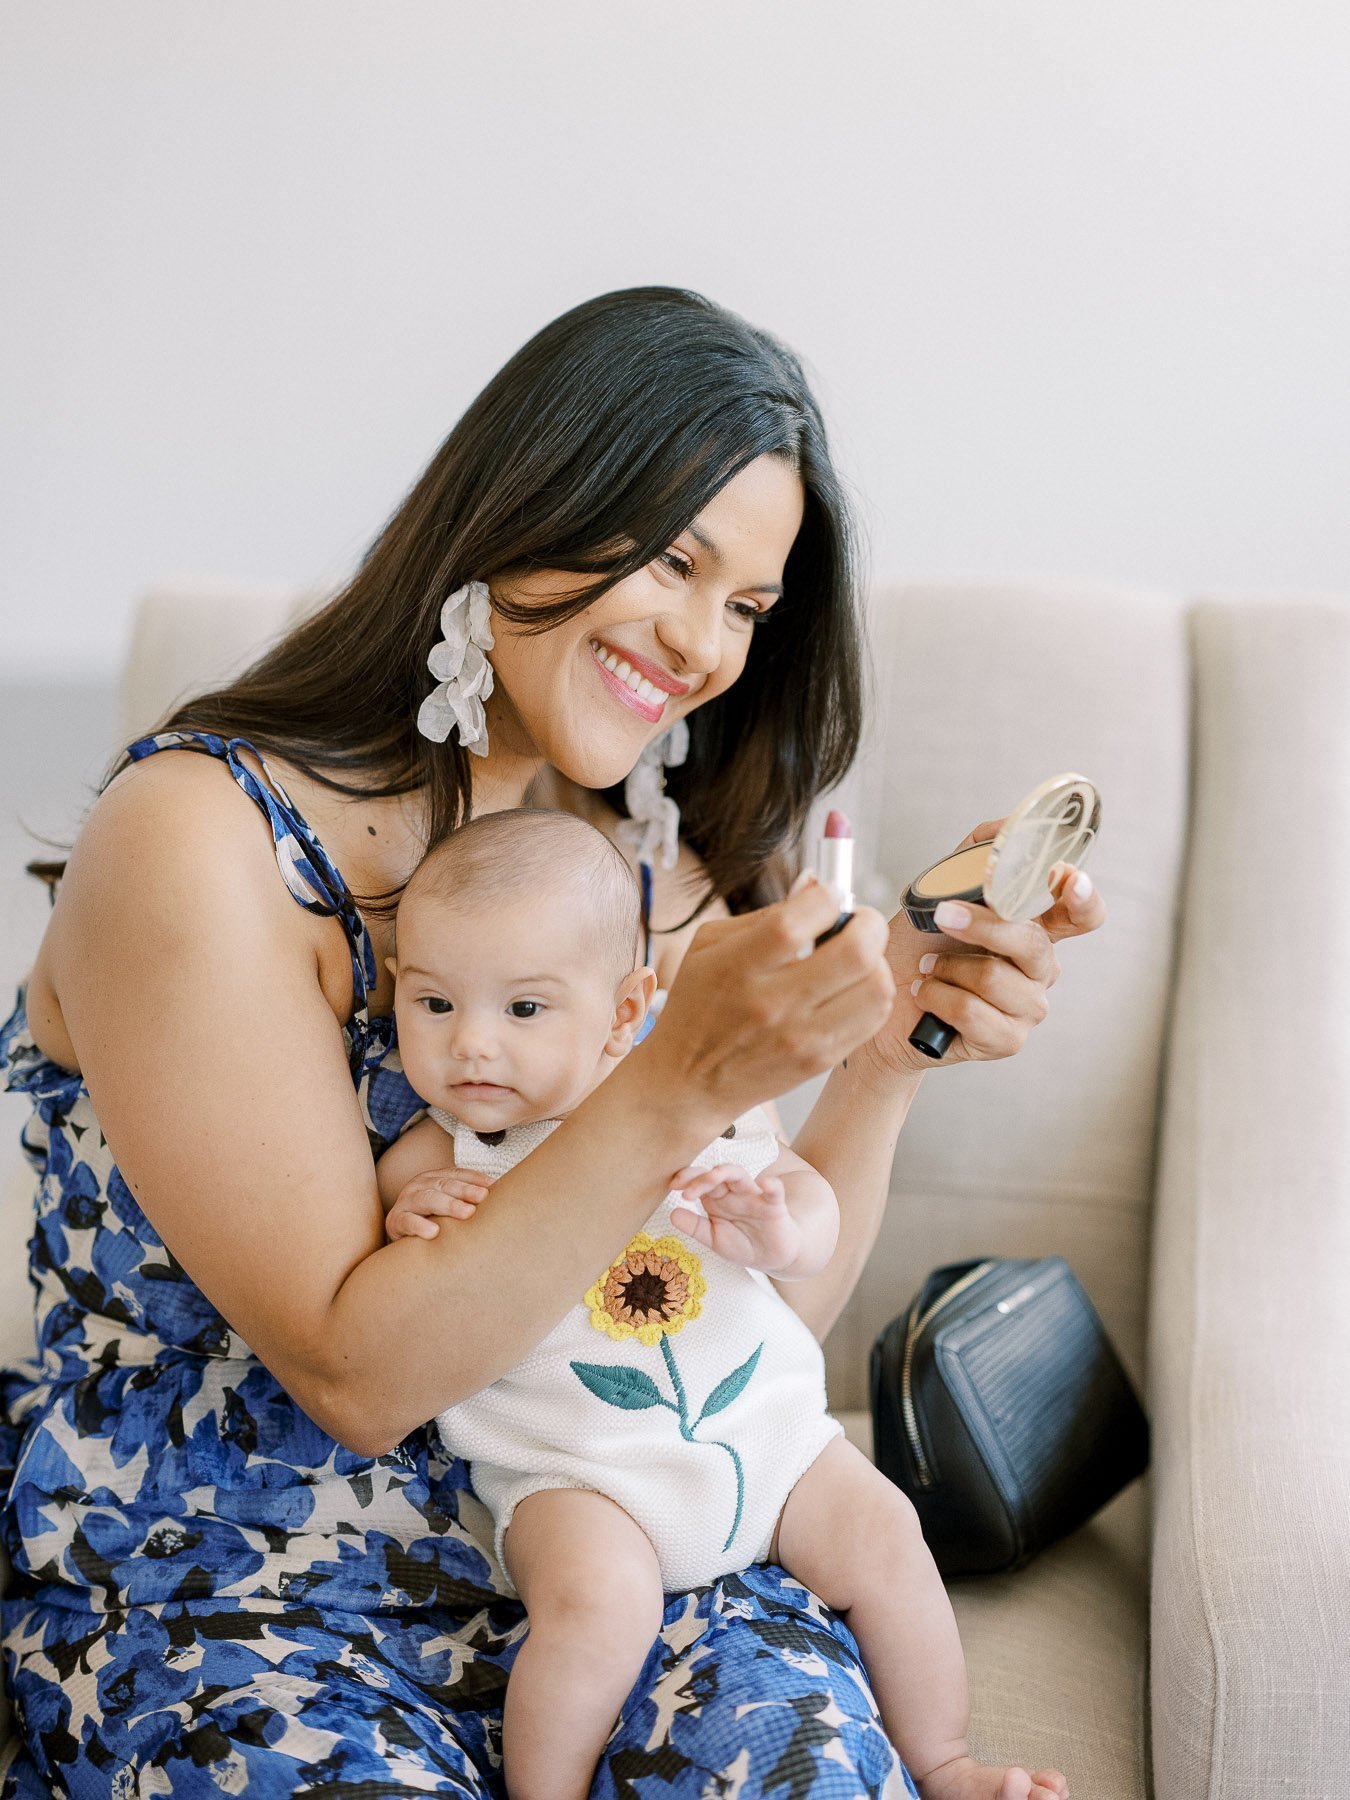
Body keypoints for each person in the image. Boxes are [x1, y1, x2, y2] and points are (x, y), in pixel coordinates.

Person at [0, 286, 1106, 1798]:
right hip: (240, 1589)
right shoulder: (200, 842)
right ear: (525, 503)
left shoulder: (656, 853)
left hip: (637, 1545)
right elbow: (355, 1371)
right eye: (674, 562)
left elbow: (738, 1326)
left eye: (747, 609)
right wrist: (670, 1080)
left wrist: (880, 1059)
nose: (704, 646)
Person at [376, 805, 1071, 1800]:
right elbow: (394, 1275)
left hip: (772, 1447)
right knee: (594, 1610)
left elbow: (807, 1208)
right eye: (435, 1005)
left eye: (524, 1010)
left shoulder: (703, 1092)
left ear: (625, 1013)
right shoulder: (442, 1148)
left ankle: (945, 1759)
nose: (472, 1046)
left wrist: (781, 1230)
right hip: (582, 1479)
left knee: (885, 1536)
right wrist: (412, 1211)